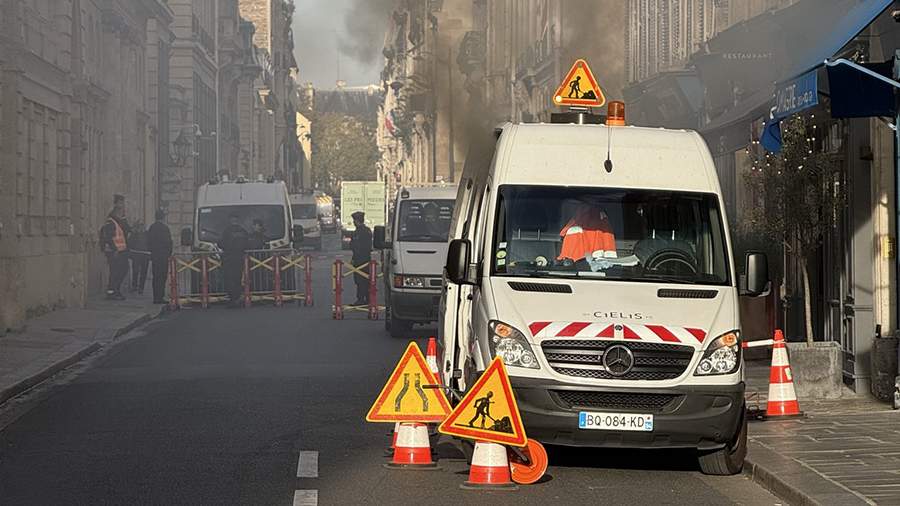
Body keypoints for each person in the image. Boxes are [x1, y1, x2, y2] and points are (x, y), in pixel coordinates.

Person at [99, 202, 131, 300]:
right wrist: (115, 250)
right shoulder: (111, 222)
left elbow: (127, 231)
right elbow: (109, 238)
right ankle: (112, 292)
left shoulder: (118, 222)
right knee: (115, 272)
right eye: (121, 211)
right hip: (115, 252)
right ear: (116, 212)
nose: (123, 213)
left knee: (122, 270)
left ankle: (115, 290)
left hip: (120, 251)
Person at [219, 214, 249, 307]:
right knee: (237, 278)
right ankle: (237, 298)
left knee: (229, 279)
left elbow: (222, 243)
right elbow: (247, 243)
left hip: (229, 258)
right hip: (239, 258)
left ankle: (233, 299)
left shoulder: (227, 231)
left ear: (231, 220)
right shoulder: (243, 231)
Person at [148, 209, 173, 304]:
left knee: (156, 277)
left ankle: (156, 297)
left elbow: (149, 242)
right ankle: (160, 296)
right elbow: (168, 242)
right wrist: (169, 253)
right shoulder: (164, 228)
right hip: (163, 256)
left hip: (155, 256)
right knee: (162, 277)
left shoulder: (151, 228)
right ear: (163, 217)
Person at [350, 211, 373, 306]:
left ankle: (361, 299)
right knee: (366, 279)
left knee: (360, 280)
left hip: (360, 259)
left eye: (354, 220)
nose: (353, 222)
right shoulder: (367, 230)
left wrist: (354, 258)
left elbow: (355, 246)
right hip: (366, 258)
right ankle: (368, 298)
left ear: (356, 221)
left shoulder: (359, 232)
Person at [128, 220, 149, 295]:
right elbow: (129, 243)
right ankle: (134, 286)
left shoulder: (147, 234)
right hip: (136, 254)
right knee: (135, 271)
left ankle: (141, 288)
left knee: (144, 272)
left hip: (145, 255)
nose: (141, 227)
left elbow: (150, 243)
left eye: (142, 225)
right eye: (140, 225)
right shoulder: (134, 234)